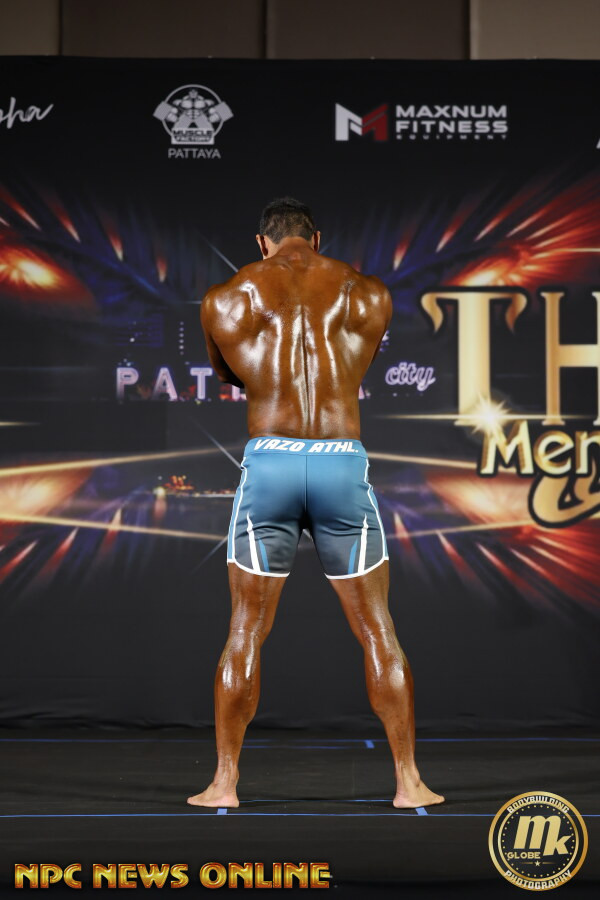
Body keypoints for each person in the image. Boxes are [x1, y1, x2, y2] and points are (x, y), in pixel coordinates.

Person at [188, 198, 444, 809]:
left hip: (270, 461)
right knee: (377, 627)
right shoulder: (368, 293)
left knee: (245, 629)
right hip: (340, 460)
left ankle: (224, 782)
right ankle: (409, 781)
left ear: (262, 242)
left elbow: (230, 375)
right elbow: (354, 368)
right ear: (317, 237)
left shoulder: (225, 297)